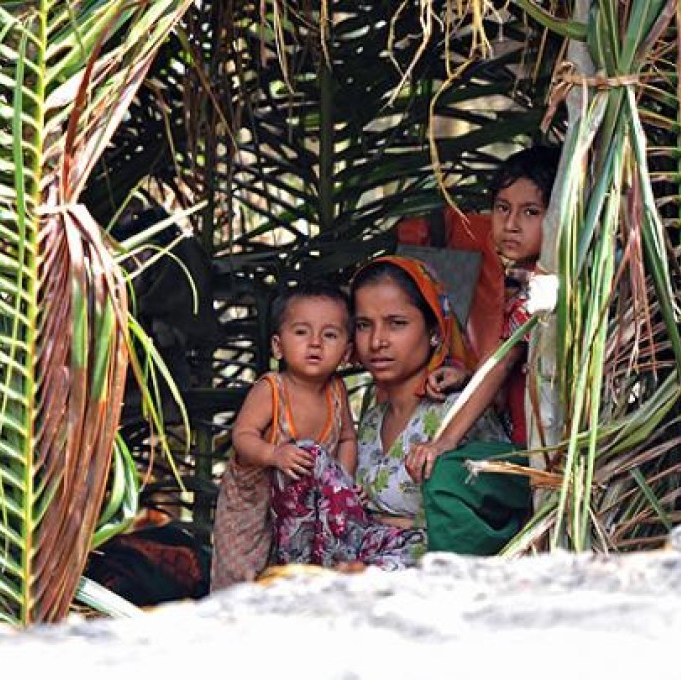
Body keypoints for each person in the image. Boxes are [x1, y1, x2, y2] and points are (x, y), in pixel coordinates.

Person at [351, 256, 514, 558]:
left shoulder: (457, 415)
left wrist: (410, 525)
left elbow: (496, 515)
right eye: (364, 325)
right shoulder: (370, 423)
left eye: (396, 324)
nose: (376, 341)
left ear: (435, 331)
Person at [416, 144, 561, 470]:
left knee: (448, 476)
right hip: (522, 444)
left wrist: (445, 441)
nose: (511, 224)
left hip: (539, 454)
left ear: (559, 217)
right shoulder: (523, 281)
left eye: (530, 212)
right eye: (502, 208)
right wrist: (467, 378)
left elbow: (502, 362)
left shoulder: (545, 288)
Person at [211, 282, 363, 589]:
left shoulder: (336, 391)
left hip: (301, 511)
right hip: (252, 508)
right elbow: (243, 435)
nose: (316, 343)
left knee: (297, 575)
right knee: (242, 577)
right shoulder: (271, 389)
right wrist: (273, 454)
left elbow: (347, 438)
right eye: (302, 332)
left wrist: (342, 483)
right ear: (278, 346)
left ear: (346, 353)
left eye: (330, 334)